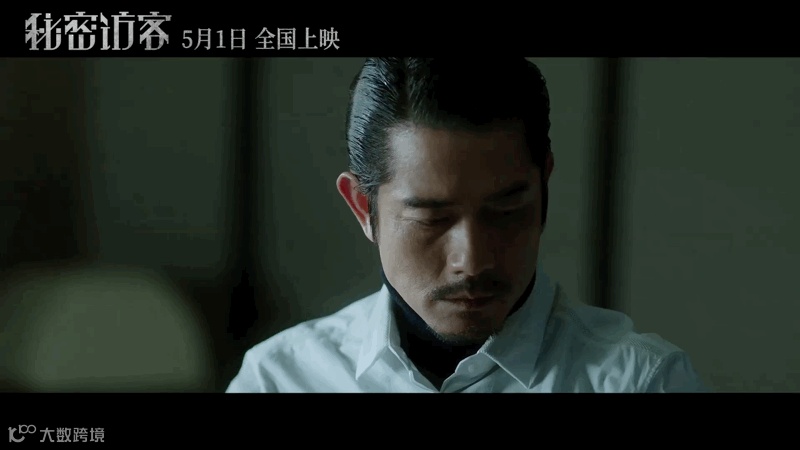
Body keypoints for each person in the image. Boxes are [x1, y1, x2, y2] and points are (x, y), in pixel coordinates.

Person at [226, 57, 708, 393]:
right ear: (361, 207)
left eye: (506, 211)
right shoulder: (280, 379)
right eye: (431, 218)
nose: (472, 260)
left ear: (543, 189)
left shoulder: (641, 382)